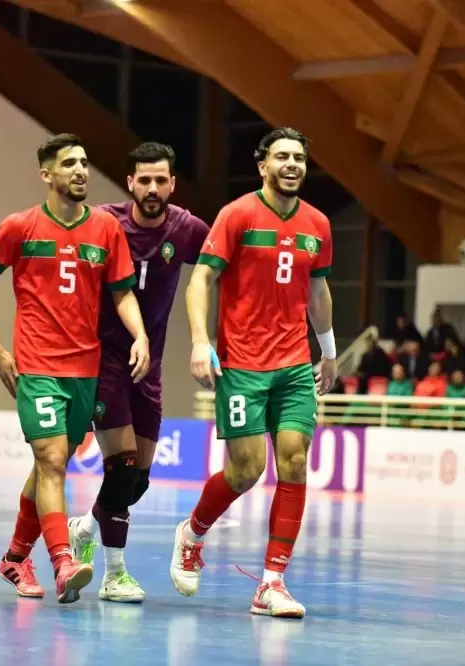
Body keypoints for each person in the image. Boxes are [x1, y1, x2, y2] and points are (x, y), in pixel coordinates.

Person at [0, 142, 210, 603]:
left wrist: (148, 336)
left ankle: (40, 545)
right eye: (142, 180)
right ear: (129, 183)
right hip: (80, 360)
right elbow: (11, 253)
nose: (151, 188)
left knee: (121, 477)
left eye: (160, 180)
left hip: (118, 365)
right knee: (75, 462)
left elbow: (218, 257)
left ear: (172, 184)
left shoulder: (155, 228)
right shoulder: (75, 221)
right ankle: (86, 566)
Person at [0, 133, 150, 604]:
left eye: (85, 163)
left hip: (84, 369)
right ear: (46, 174)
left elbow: (123, 293)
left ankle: (13, 557)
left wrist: (141, 335)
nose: (80, 171)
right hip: (37, 366)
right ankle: (62, 562)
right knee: (52, 462)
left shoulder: (105, 230)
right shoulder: (20, 227)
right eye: (69, 163)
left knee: (49, 465)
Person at [170, 127, 336, 619]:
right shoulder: (238, 214)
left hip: (292, 365)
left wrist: (326, 350)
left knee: (294, 459)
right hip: (242, 365)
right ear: (262, 164)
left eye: (300, 158)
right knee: (246, 470)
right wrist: (201, 341)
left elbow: (319, 291)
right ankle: (192, 533)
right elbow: (201, 277)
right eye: (282, 156)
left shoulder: (318, 224)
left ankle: (272, 583)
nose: (292, 164)